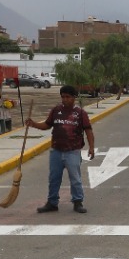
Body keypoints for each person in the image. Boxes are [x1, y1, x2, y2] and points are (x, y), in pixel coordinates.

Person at [27, 84, 96, 214]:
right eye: (63, 97)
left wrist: (91, 147)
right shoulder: (56, 110)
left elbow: (88, 131)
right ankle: (52, 203)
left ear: (74, 97)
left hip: (73, 151)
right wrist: (33, 124)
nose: (65, 99)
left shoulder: (80, 113)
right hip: (56, 151)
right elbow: (47, 125)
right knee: (54, 178)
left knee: (75, 179)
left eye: (68, 97)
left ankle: (78, 202)